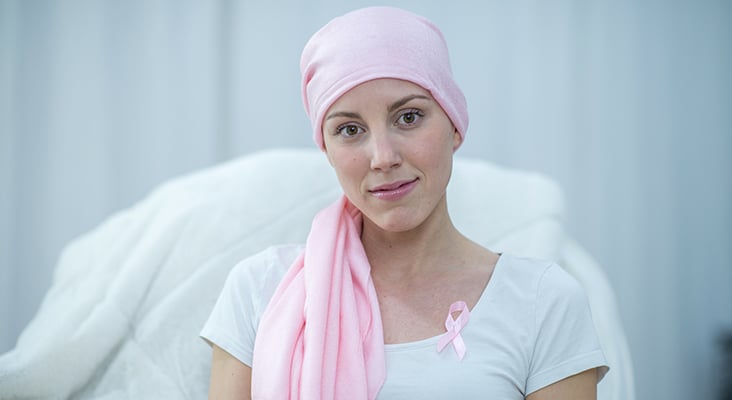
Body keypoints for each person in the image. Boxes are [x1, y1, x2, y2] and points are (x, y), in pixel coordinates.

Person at [201, 6, 608, 400]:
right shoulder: (260, 289)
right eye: (349, 129)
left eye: (408, 117)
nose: (383, 157)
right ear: (327, 150)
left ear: (454, 124)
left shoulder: (544, 301)